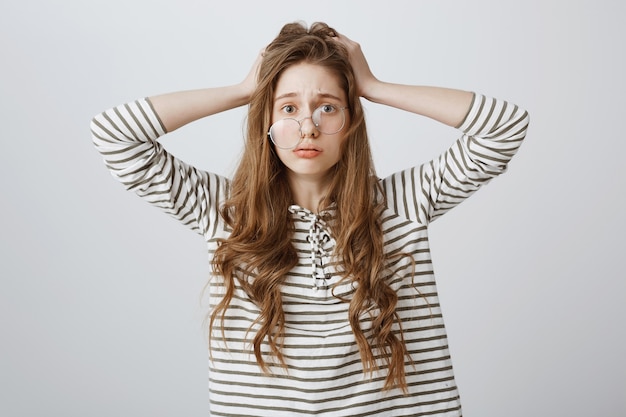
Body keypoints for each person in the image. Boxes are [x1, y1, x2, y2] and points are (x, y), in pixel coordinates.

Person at [91, 21, 529, 417]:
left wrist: (373, 86)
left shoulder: (401, 203)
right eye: (288, 109)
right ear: (265, 122)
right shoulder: (224, 210)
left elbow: (505, 127)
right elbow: (114, 135)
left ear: (351, 119)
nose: (308, 127)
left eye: (327, 107)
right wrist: (247, 90)